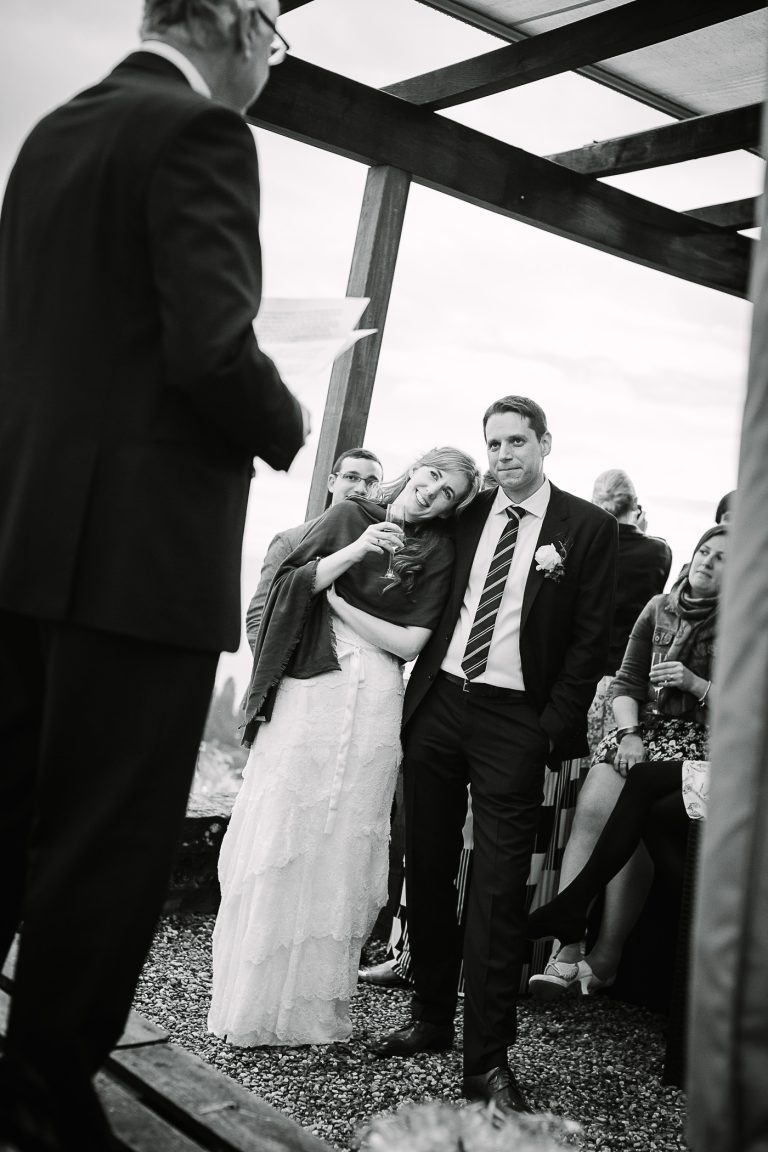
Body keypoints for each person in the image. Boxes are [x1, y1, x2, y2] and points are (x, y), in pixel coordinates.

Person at [0, 3, 306, 1148]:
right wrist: (288, 418)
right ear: (235, 24)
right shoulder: (201, 135)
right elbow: (211, 347)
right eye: (275, 44)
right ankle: (41, 1099)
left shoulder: (57, 134)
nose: (270, 70)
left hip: (22, 538)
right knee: (108, 840)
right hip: (134, 559)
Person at [369, 396, 618, 1115]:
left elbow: (592, 641)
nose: (504, 454)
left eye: (516, 441)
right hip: (440, 703)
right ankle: (429, 1020)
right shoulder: (469, 510)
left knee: (499, 888)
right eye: (494, 443)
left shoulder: (586, 528)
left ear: (544, 443)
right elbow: (408, 520)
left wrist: (547, 728)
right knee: (430, 862)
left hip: (516, 719)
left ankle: (487, 1060)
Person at [208, 447, 481, 1047]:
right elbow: (284, 587)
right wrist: (355, 554)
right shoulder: (347, 517)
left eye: (447, 493)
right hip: (313, 683)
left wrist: (336, 603)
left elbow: (410, 643)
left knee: (341, 841)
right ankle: (254, 1003)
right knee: (289, 826)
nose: (432, 492)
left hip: (377, 696)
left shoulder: (438, 552)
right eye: (432, 476)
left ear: (452, 508)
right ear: (416, 470)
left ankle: (313, 1010)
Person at [527, 526, 726, 995]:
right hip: (642, 727)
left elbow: (747, 710)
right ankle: (566, 950)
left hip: (701, 737)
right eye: (704, 551)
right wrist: (630, 734)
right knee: (593, 809)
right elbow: (625, 683)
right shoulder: (659, 607)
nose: (707, 561)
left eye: (722, 559)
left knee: (637, 824)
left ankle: (607, 955)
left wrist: (696, 684)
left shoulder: (745, 625)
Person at [245, 447, 383, 649]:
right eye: (352, 477)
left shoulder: (380, 549)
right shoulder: (289, 541)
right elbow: (258, 619)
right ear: (332, 482)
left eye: (371, 482)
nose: (361, 489)